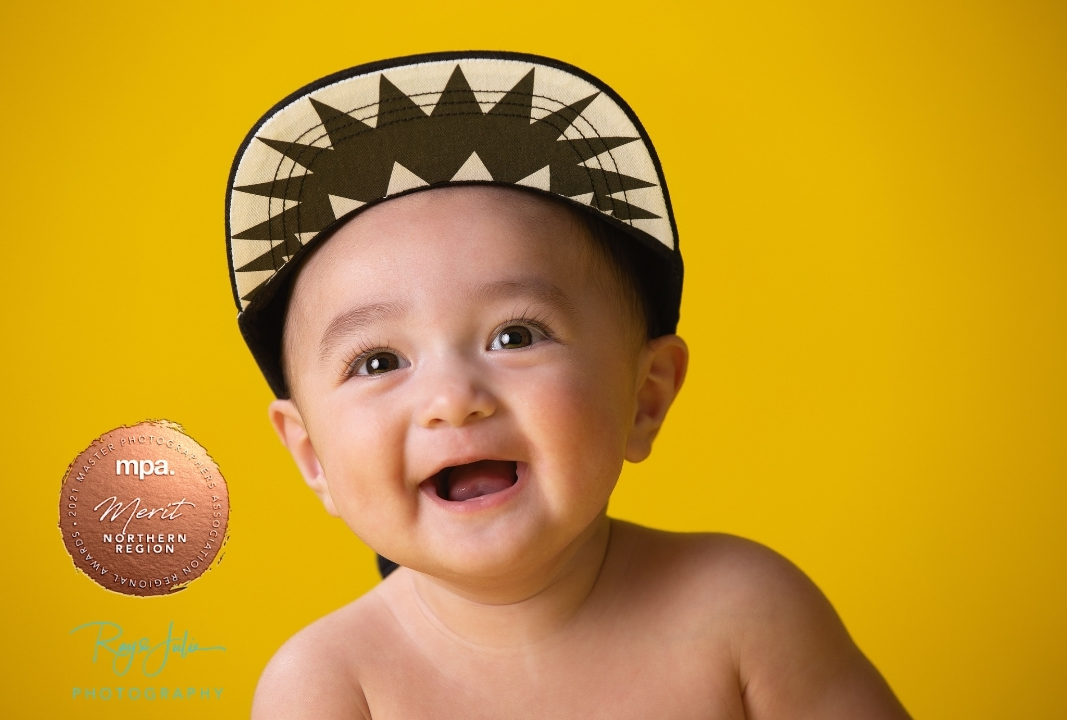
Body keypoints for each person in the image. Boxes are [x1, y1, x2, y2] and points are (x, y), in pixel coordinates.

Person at [226, 51, 911, 719]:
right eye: (377, 362)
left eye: (515, 336)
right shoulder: (330, 687)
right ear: (311, 456)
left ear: (645, 397)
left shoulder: (746, 613)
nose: (453, 398)